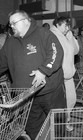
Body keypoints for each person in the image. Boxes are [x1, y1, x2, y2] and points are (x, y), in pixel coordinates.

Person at [0, 10, 66, 139]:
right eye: (10, 24)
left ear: (25, 21)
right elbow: (2, 63)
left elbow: (56, 52)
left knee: (57, 123)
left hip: (50, 91)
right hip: (26, 96)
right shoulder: (10, 42)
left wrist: (43, 71)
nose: (11, 26)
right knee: (33, 127)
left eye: (14, 23)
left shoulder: (43, 34)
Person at [50, 16, 79, 131]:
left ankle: (66, 121)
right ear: (57, 25)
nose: (67, 28)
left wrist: (69, 35)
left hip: (69, 76)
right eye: (65, 25)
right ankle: (58, 126)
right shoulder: (52, 35)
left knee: (71, 100)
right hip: (59, 78)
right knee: (59, 105)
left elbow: (76, 50)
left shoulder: (66, 35)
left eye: (68, 25)